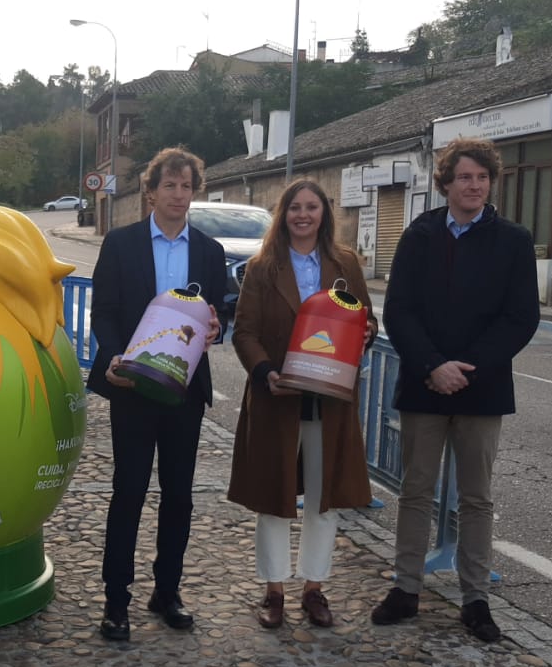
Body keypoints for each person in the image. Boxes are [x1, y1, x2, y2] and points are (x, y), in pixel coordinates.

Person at [370, 137, 539, 642]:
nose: (474, 186)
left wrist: (468, 368)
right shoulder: (418, 236)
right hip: (425, 384)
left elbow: (520, 318)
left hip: (482, 387)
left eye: (482, 178)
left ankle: (476, 598)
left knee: (476, 497)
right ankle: (405, 588)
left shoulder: (513, 240)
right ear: (445, 183)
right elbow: (399, 310)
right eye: (464, 177)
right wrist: (433, 366)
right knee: (416, 490)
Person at [87, 146, 226, 641]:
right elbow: (101, 311)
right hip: (132, 385)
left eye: (186, 186)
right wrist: (116, 355)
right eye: (169, 185)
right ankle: (115, 600)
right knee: (128, 492)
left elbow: (219, 316)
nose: (178, 195)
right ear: (151, 192)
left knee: (180, 496)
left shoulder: (209, 251)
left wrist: (215, 328)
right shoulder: (120, 244)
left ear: (195, 191)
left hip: (185, 392)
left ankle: (167, 590)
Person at [226, 179, 376, 629]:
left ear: (324, 214)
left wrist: (366, 334)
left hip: (329, 401)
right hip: (278, 398)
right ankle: (273, 591)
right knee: (274, 497)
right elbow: (244, 331)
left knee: (322, 499)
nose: (303, 215)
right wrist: (264, 372)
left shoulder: (345, 262)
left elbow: (365, 318)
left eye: (312, 207)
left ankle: (315, 588)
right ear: (283, 214)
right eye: (295, 207)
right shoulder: (262, 267)